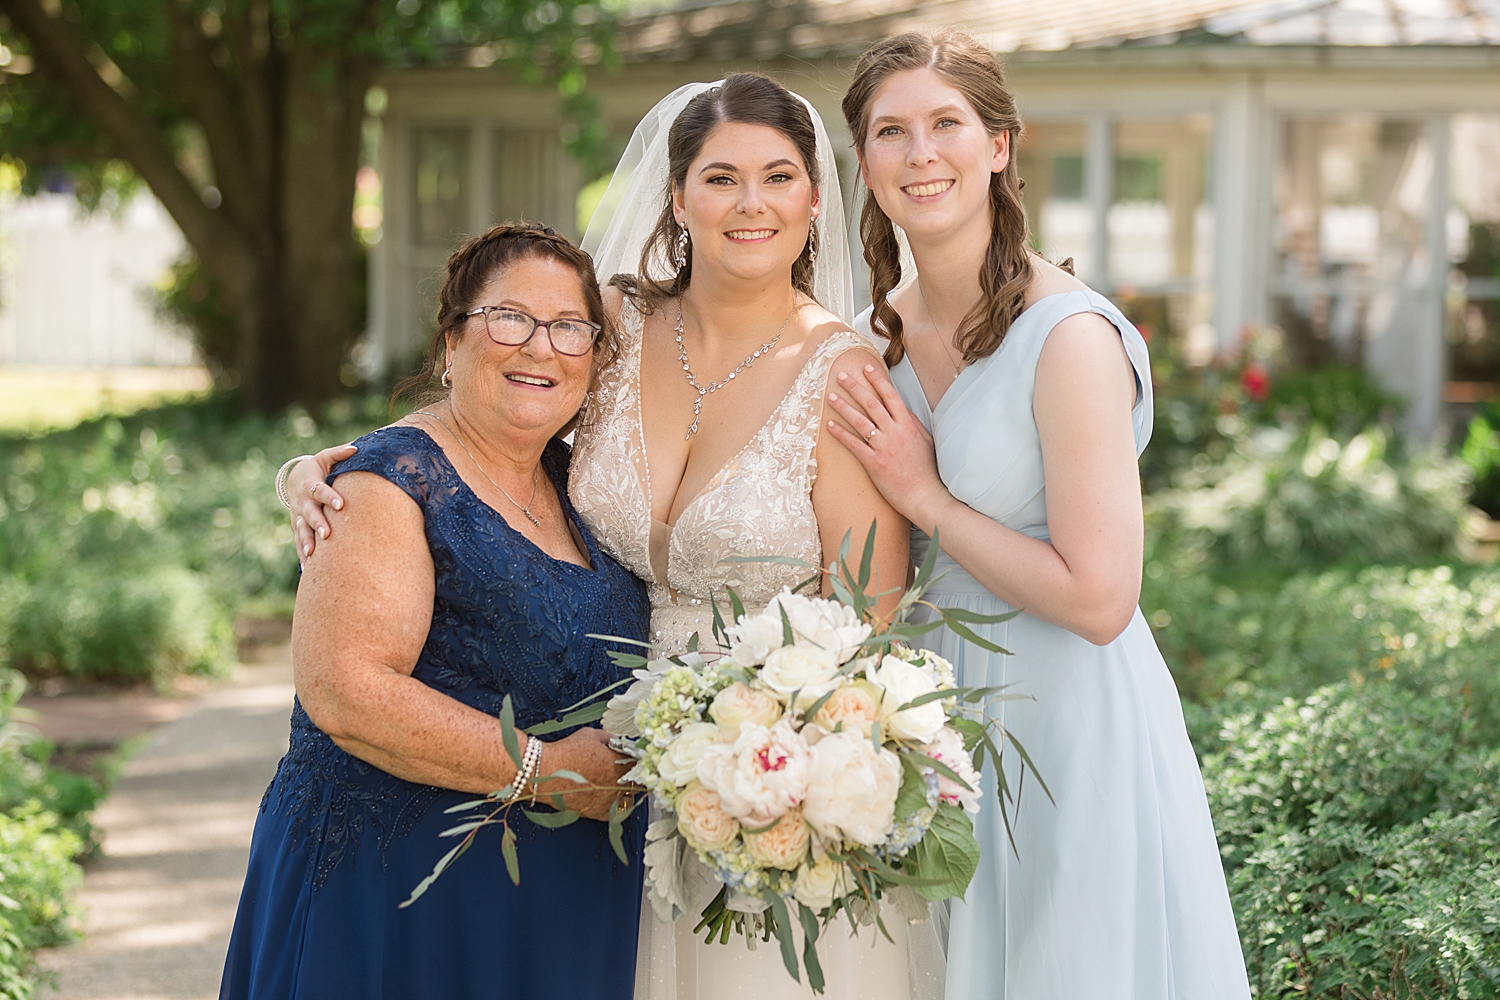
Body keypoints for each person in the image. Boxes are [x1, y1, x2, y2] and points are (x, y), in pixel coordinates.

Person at [285, 74, 935, 1000]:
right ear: (676, 197)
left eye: (778, 177)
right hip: (596, 776)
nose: (749, 204)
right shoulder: (618, 325)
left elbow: (866, 617)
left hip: (758, 772)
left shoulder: (847, 373)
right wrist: (338, 467)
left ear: (816, 198)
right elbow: (489, 422)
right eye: (719, 178)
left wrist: (762, 769)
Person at [822, 29, 1253, 1000]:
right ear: (864, 162)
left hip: (1066, 721)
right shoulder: (860, 347)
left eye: (947, 124)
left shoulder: (1068, 338)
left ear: (1001, 145)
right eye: (892, 132)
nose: (920, 154)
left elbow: (1101, 597)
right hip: (922, 728)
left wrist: (925, 493)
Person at [223, 224, 650, 1000]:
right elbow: (347, 693)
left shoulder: (582, 482)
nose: (539, 347)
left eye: (568, 328)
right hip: (395, 909)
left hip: (556, 910)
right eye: (508, 318)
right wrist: (552, 772)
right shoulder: (385, 483)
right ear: (450, 343)